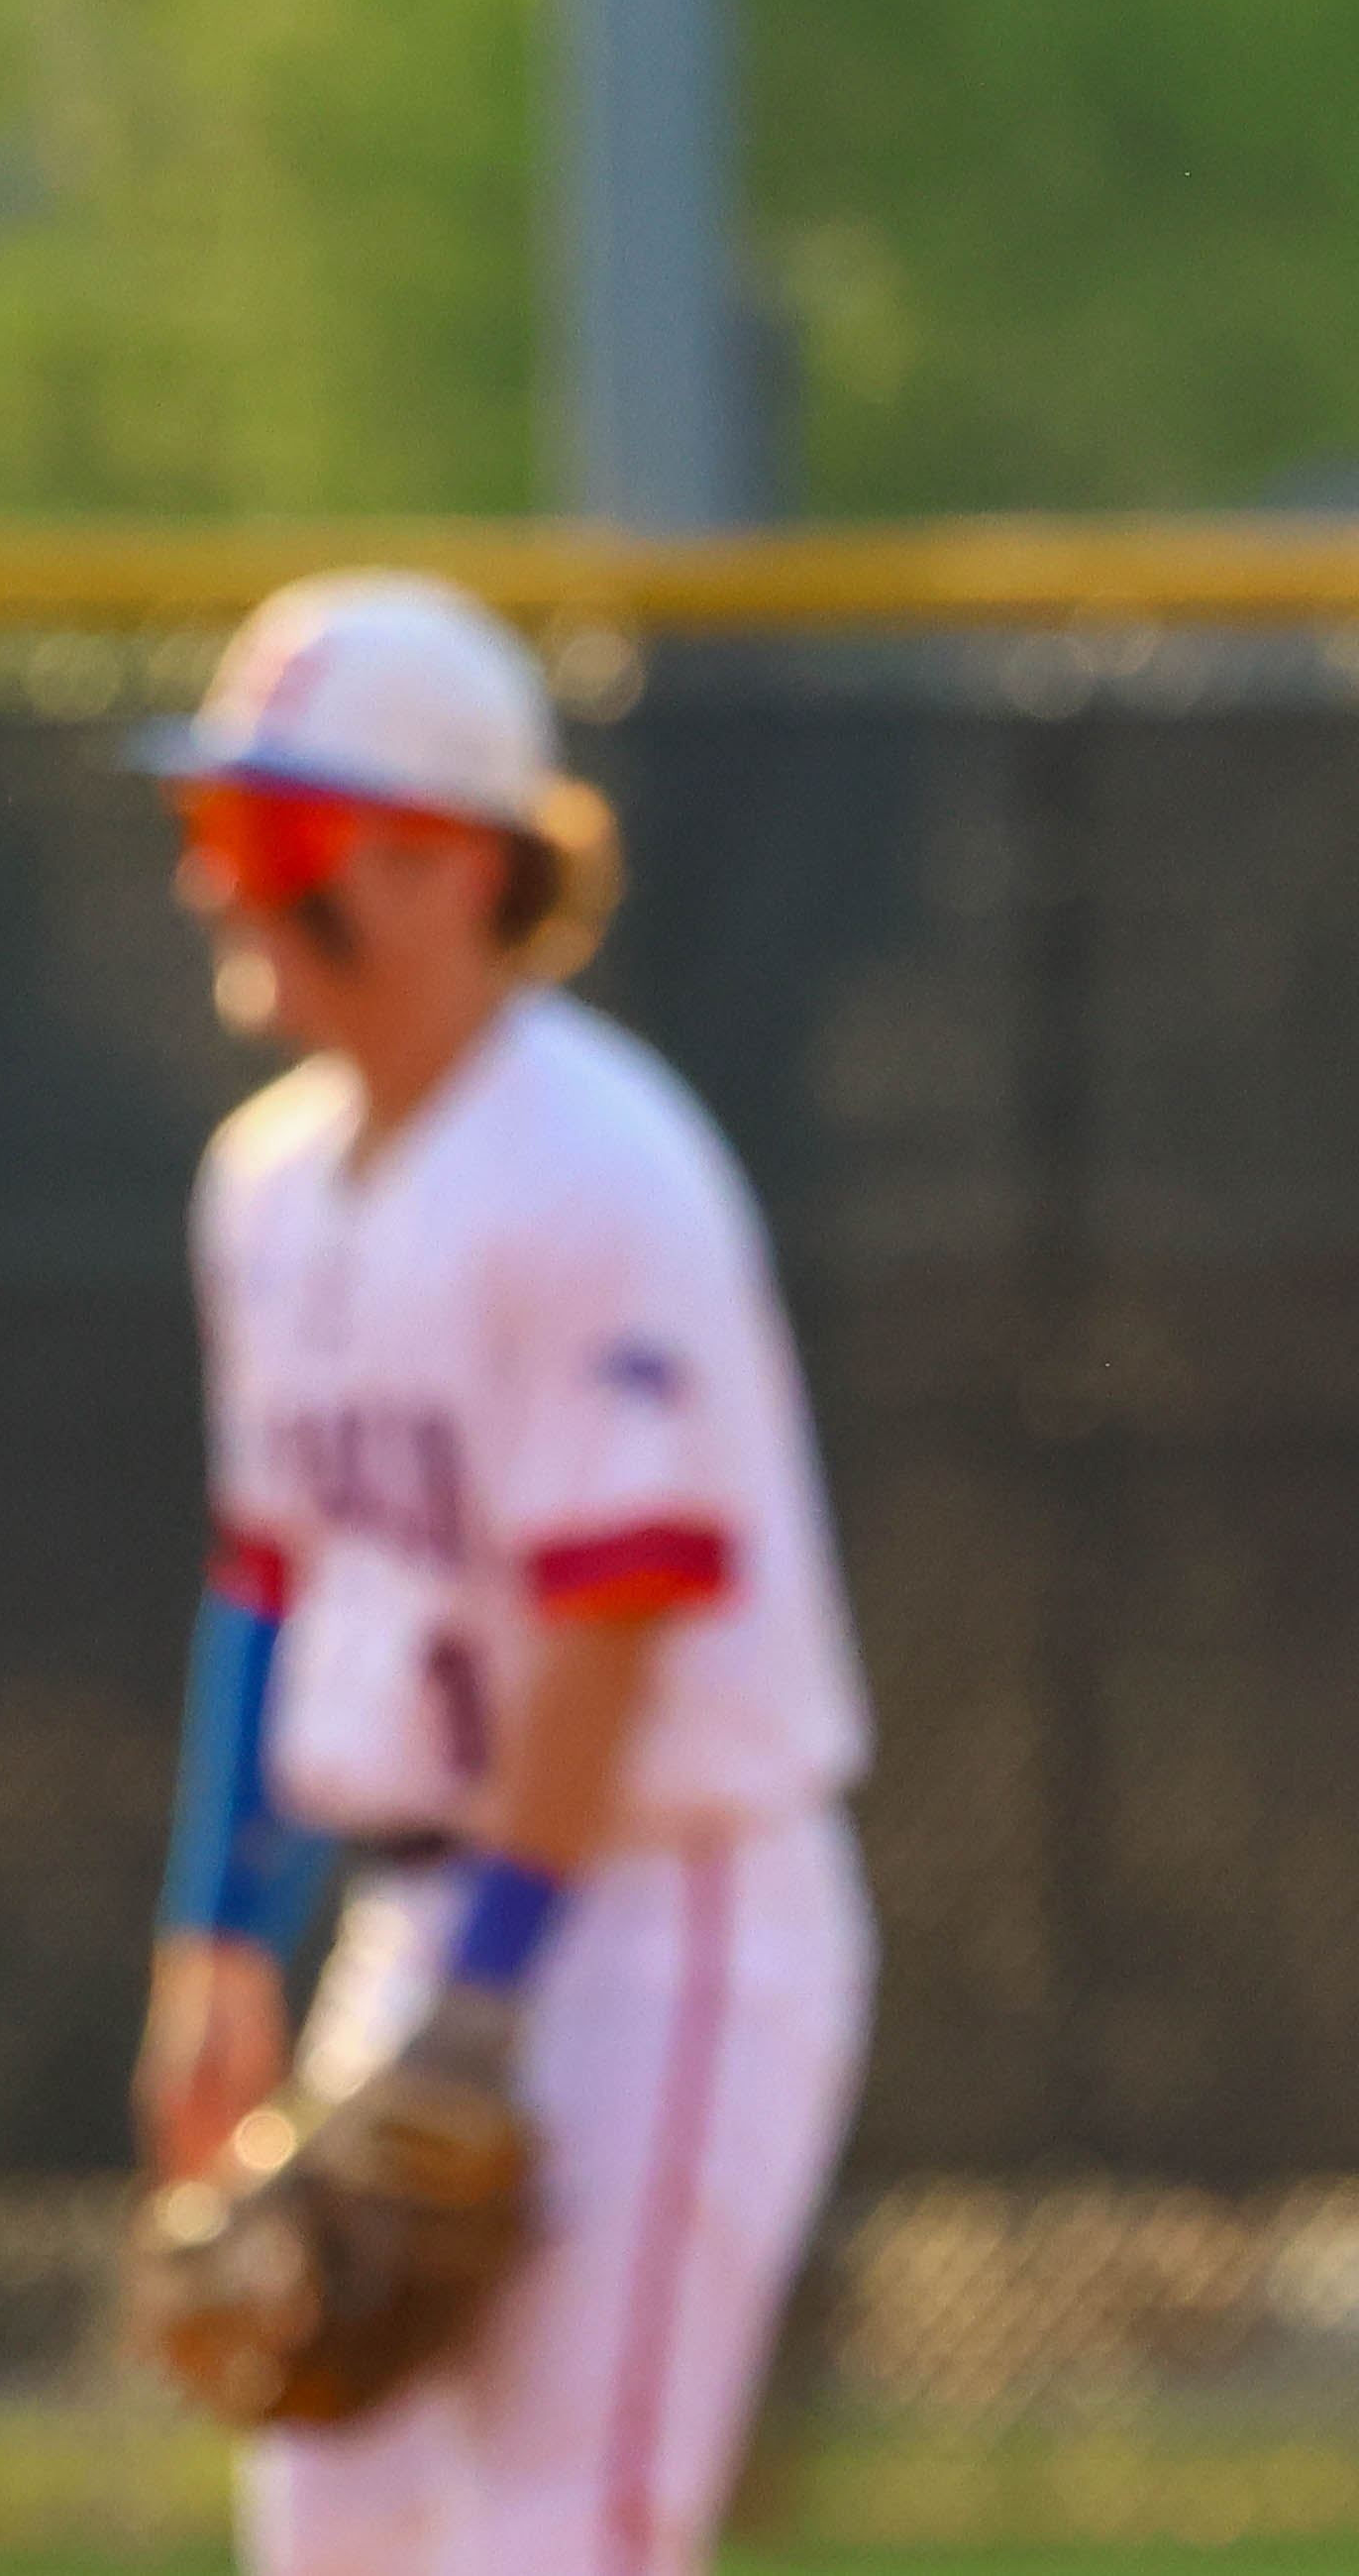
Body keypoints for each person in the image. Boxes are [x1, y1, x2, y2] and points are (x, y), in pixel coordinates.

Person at [129, 570, 873, 2576]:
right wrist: (216, 1934)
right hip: (424, 1914)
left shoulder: (596, 1167)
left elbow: (616, 1615)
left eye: (261, 835)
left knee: (564, 2538)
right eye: (210, 828)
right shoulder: (267, 1184)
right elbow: (270, 1574)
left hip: (660, 1913)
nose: (214, 883)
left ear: (445, 864)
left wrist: (486, 2002)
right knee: (335, 2527)